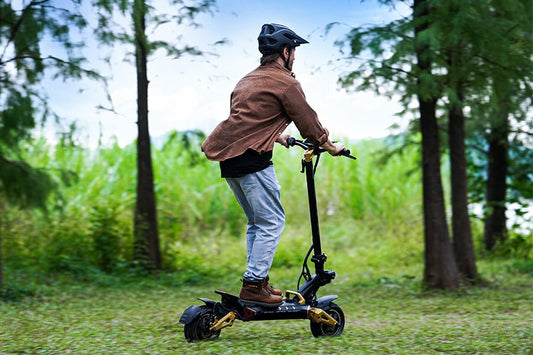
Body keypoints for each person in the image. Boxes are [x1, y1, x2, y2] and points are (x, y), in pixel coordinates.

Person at [201, 23, 345, 307]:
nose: (294, 58)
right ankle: (254, 285)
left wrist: (279, 137)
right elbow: (308, 121)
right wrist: (330, 146)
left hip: (230, 158)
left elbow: (248, 119)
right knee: (272, 222)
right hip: (253, 159)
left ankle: (257, 281)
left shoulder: (247, 80)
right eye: (294, 52)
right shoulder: (286, 82)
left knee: (257, 223)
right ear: (285, 51)